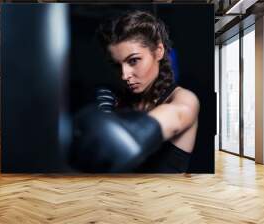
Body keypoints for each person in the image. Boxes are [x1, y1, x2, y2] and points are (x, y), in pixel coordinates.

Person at [69, 10, 200, 173]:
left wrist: (106, 124)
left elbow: (176, 115)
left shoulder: (184, 99)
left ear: (158, 51)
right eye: (117, 65)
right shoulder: (118, 100)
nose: (124, 75)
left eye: (133, 60)